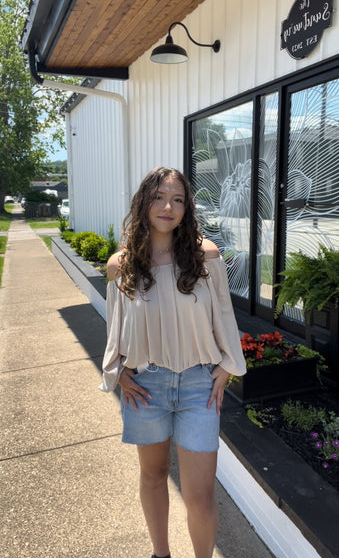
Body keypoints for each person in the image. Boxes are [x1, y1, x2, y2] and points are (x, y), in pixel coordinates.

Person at [100, 167, 246, 558]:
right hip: (147, 388)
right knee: (153, 476)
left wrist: (228, 365)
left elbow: (224, 316)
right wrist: (118, 370)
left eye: (178, 199)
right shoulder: (121, 265)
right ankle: (160, 554)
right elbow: (115, 325)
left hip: (199, 385)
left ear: (186, 208)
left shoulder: (205, 256)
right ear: (144, 202)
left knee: (199, 496)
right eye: (160, 197)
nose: (168, 206)